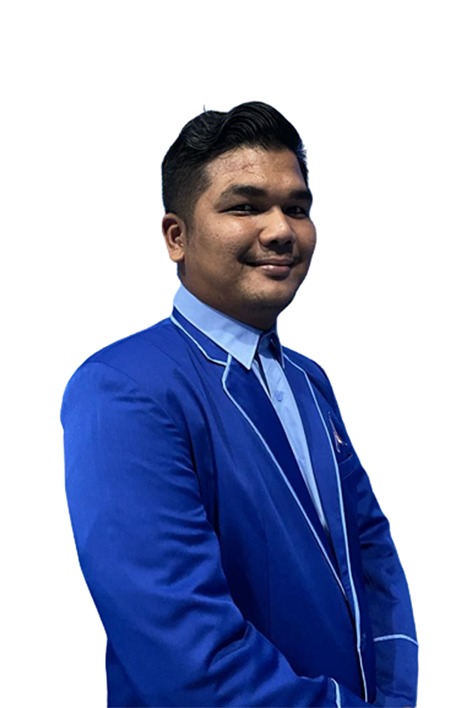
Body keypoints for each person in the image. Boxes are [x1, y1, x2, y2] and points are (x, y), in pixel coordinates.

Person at [62, 101, 418, 707]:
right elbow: (183, 649)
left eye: (297, 208)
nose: (281, 230)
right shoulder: (124, 388)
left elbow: (373, 560)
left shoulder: (308, 381)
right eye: (246, 207)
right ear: (177, 236)